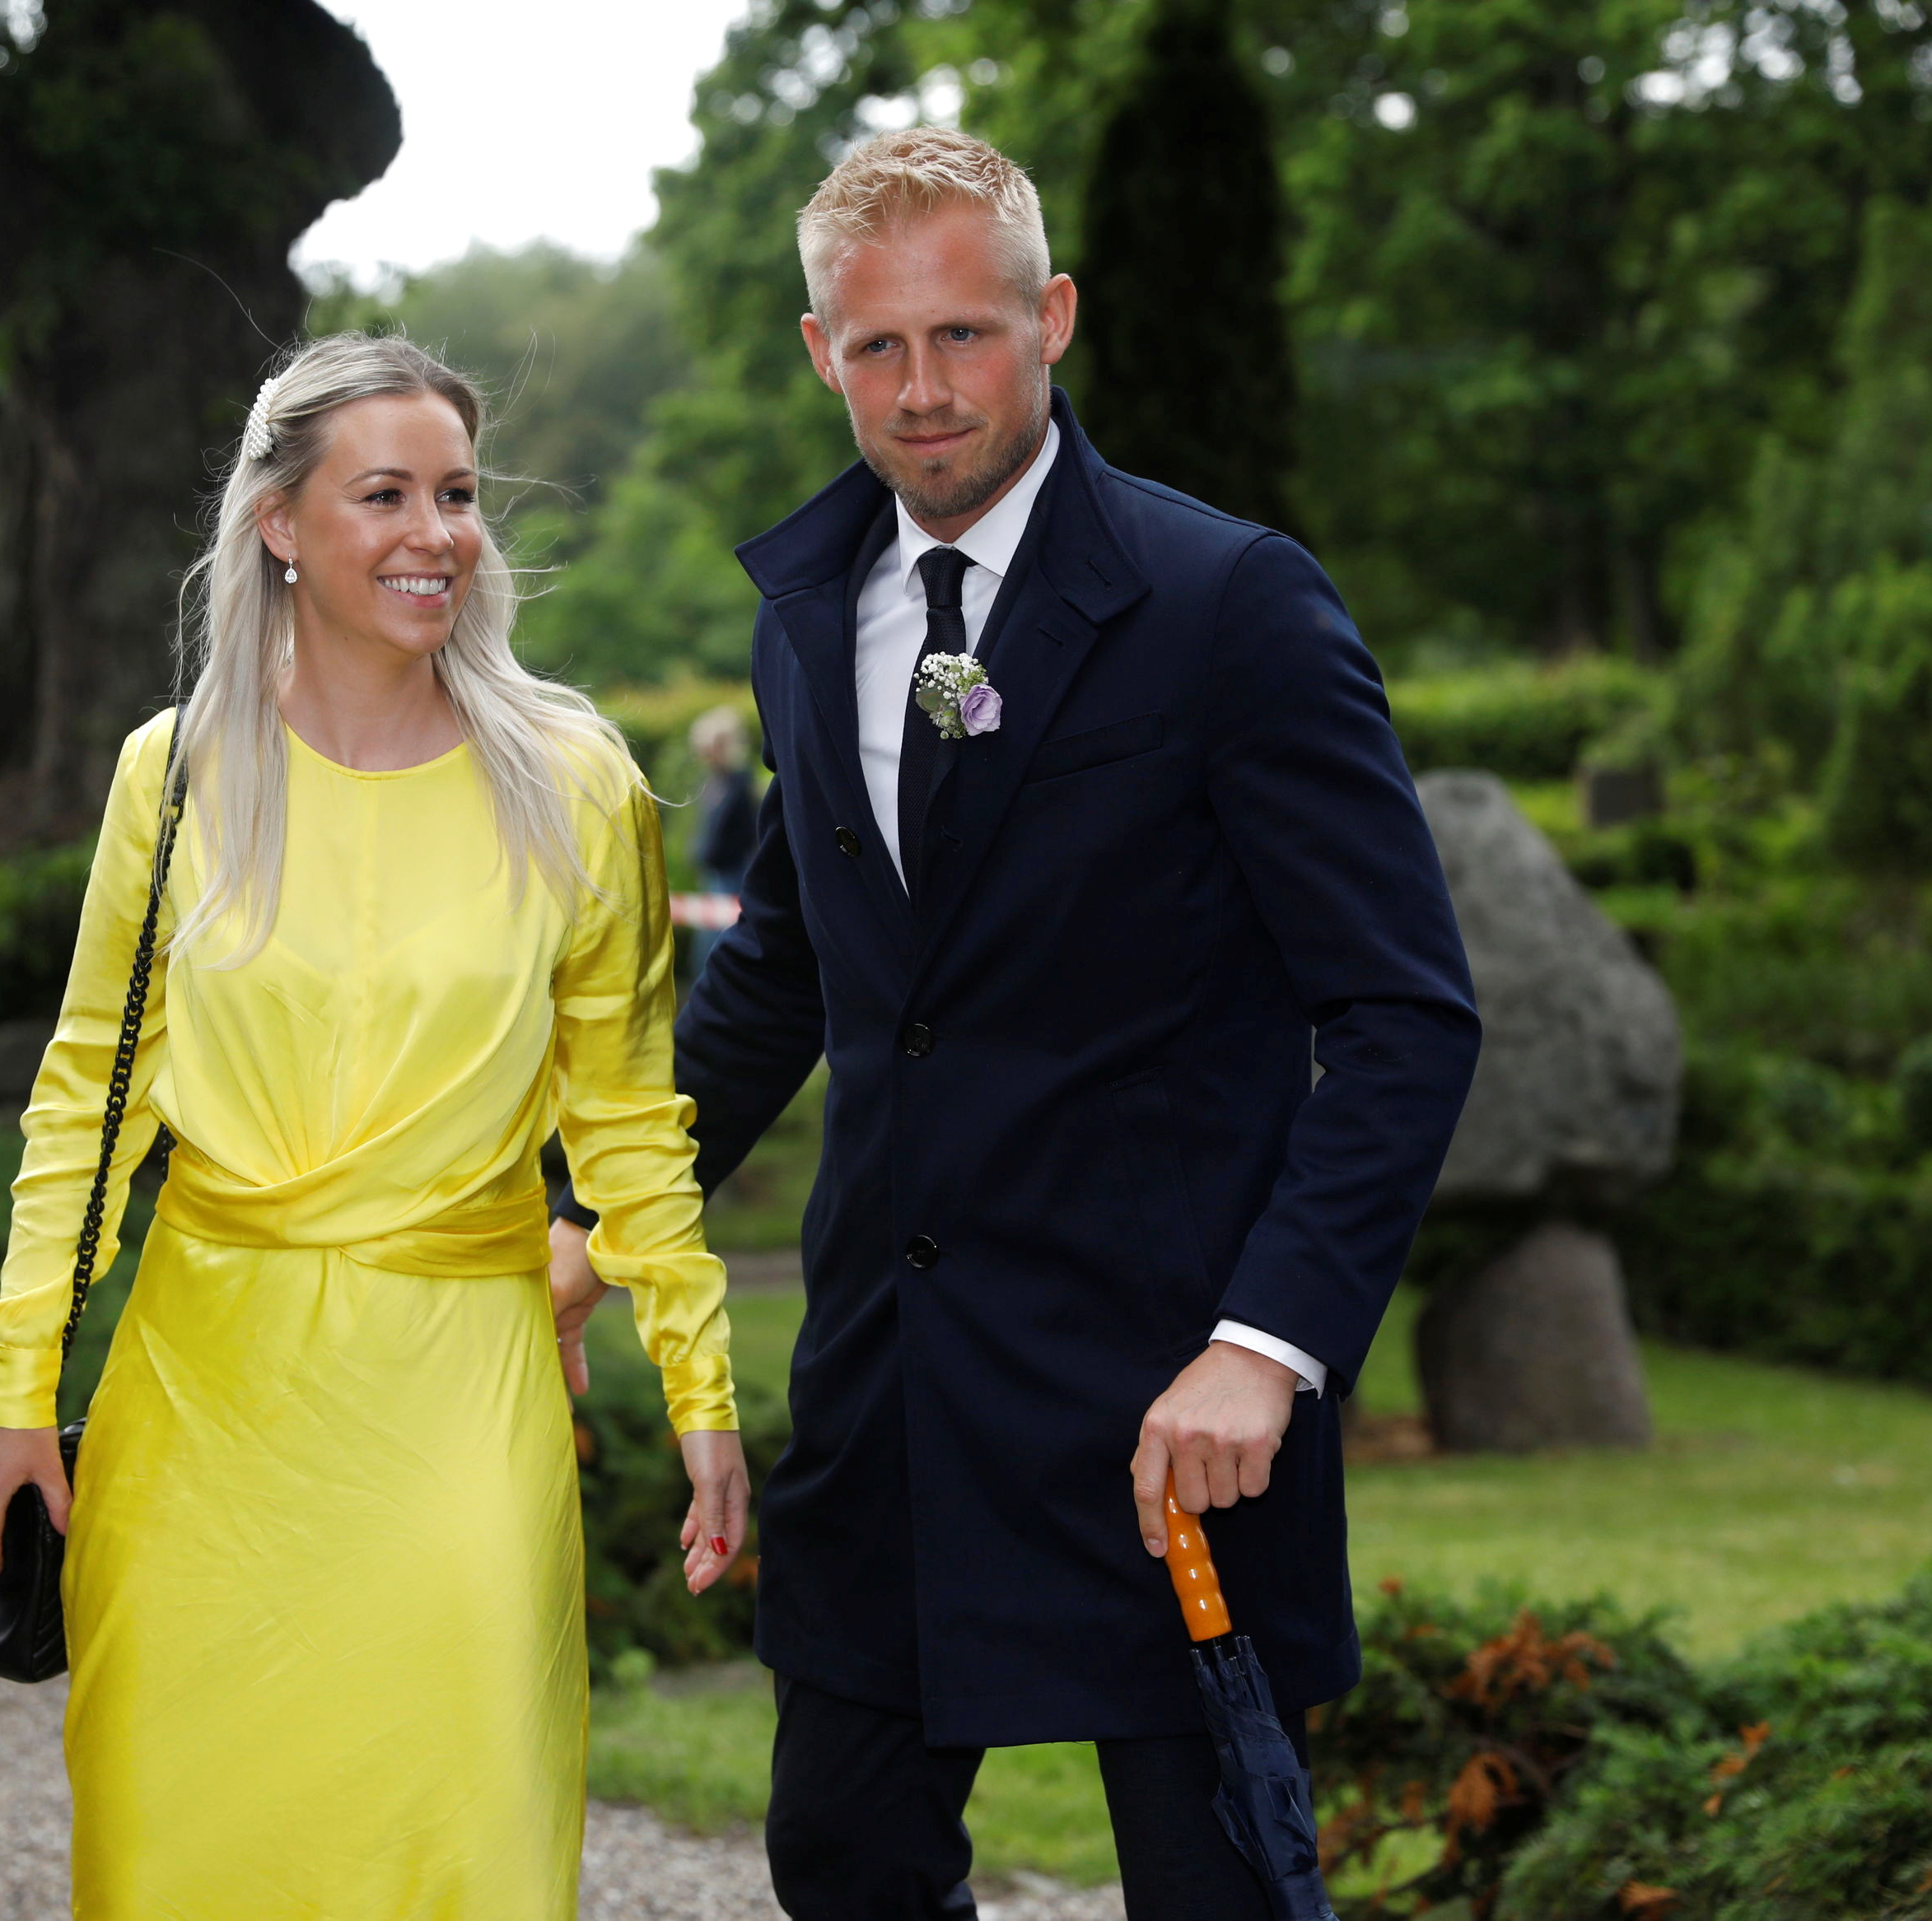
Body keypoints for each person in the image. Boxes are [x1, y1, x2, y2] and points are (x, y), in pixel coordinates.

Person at [548, 130, 1481, 1919]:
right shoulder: (804, 618)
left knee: (1214, 1891)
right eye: (877, 346)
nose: (922, 391)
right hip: (893, 1383)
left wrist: (1266, 1344)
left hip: (1169, 1400)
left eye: (965, 335)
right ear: (820, 351)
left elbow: (1400, 1009)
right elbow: (791, 969)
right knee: (841, 1853)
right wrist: (591, 1204)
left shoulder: (1232, 605)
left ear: (1051, 319)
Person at [0, 333, 749, 1920]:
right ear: (281, 523)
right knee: (183, 1851)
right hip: (201, 1400)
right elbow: (85, 1101)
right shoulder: (170, 774)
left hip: (460, 1389)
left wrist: (700, 1382)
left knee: (463, 1839)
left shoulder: (578, 780)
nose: (435, 531)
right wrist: (14, 1380)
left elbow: (631, 1115)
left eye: (455, 493)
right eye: (382, 492)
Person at [687, 704, 759, 969]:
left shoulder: (739, 782)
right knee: (706, 942)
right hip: (714, 871)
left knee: (721, 941)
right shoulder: (712, 780)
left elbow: (748, 832)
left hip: (733, 872)